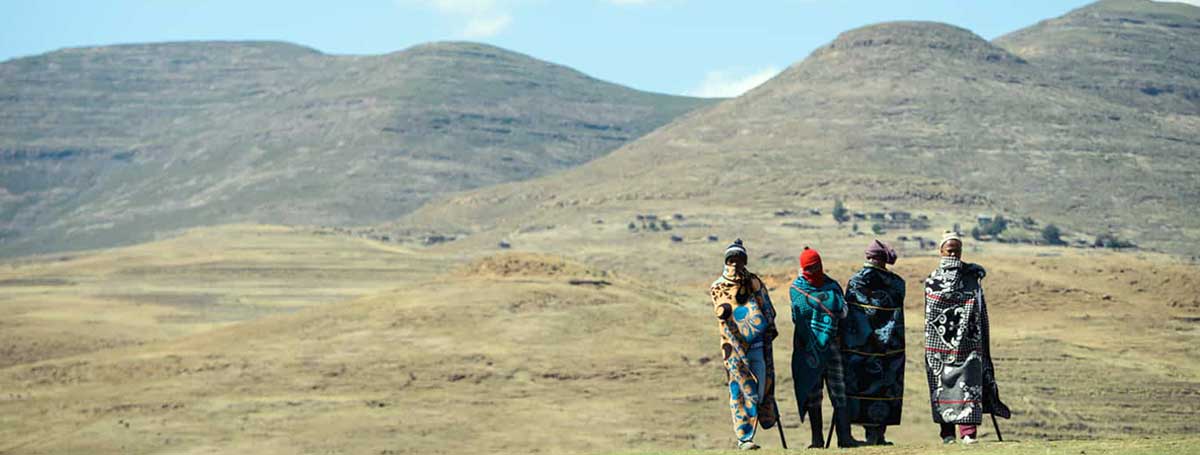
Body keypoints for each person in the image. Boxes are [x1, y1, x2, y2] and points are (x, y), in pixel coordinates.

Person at [924, 231, 1011, 444]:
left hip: (969, 344)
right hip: (939, 346)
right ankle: (947, 434)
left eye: (957, 251)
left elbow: (977, 308)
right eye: (949, 250)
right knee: (941, 386)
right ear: (941, 251)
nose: (953, 254)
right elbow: (932, 312)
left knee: (969, 385)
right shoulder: (932, 281)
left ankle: (968, 433)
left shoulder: (972, 280)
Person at [710, 239, 780, 450]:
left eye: (739, 259)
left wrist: (764, 323)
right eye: (731, 259)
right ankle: (744, 438)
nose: (735, 263)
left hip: (758, 346)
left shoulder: (754, 282)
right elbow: (723, 310)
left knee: (760, 390)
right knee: (740, 391)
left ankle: (752, 429)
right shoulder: (718, 286)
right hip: (734, 350)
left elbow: (767, 308)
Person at [790, 247, 862, 448]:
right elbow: (797, 316)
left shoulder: (832, 286)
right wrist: (828, 310)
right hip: (809, 350)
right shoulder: (797, 289)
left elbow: (844, 311)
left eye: (815, 267)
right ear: (803, 268)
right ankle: (817, 440)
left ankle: (845, 437)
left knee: (839, 391)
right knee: (814, 395)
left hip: (832, 348)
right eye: (809, 268)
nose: (813, 271)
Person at [842, 240, 906, 446]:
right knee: (881, 388)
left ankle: (874, 434)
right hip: (888, 347)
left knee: (868, 387)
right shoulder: (896, 283)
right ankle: (876, 434)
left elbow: (853, 314)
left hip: (863, 348)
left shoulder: (856, 282)